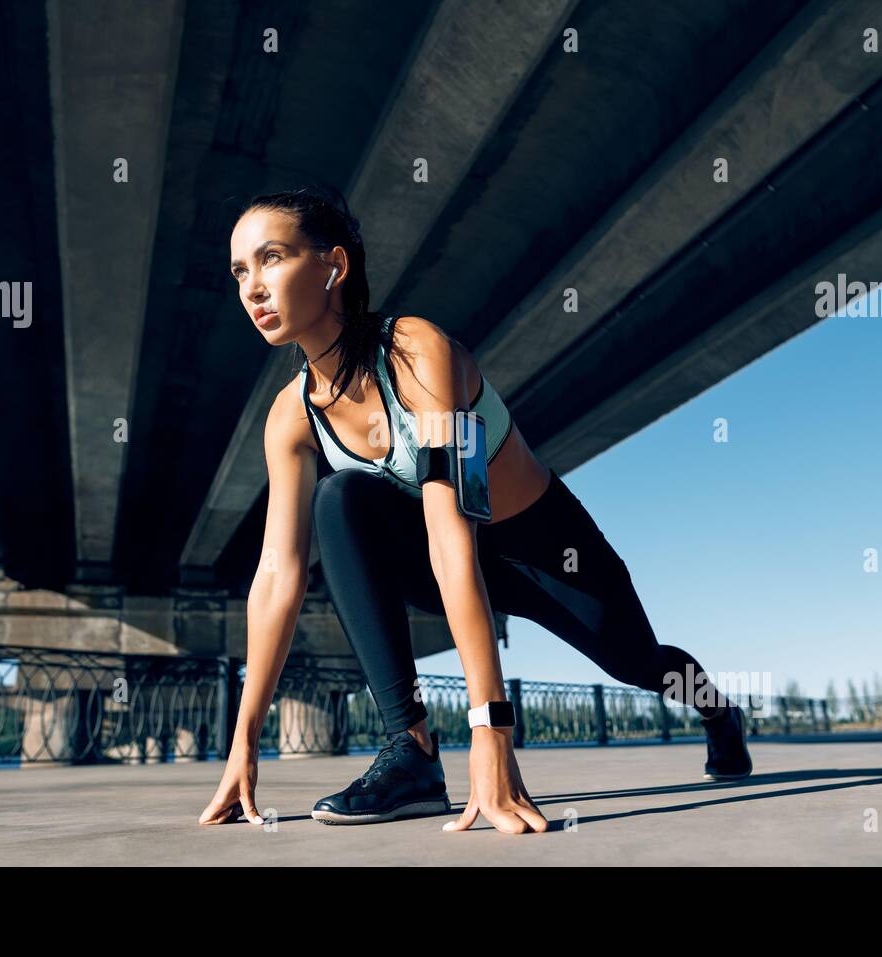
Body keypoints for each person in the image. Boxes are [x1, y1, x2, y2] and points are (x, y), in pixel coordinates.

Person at [198, 186, 751, 835]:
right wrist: (243, 746)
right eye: (240, 271)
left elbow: (452, 534)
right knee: (339, 497)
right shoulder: (290, 417)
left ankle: (718, 711)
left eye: (271, 259)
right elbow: (277, 578)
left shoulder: (419, 352)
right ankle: (411, 751)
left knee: (636, 660)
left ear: (333, 267)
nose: (252, 287)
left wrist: (492, 731)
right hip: (435, 557)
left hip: (544, 546)